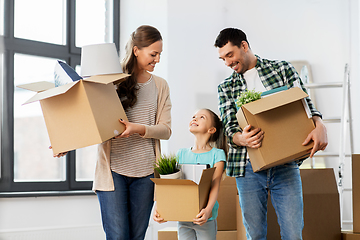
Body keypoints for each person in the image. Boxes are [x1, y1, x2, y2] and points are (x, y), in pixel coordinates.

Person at [54, 25, 172, 240]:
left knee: (137, 236)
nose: (157, 60)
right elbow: (89, 118)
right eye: (153, 54)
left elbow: (166, 130)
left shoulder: (160, 86)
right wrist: (65, 142)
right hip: (112, 172)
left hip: (145, 173)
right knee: (117, 236)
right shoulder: (110, 80)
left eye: (159, 55)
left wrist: (138, 128)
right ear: (136, 50)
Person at [214, 28, 328, 240]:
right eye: (223, 59)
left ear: (244, 46)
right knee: (255, 235)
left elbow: (305, 105)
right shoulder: (226, 88)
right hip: (248, 169)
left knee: (293, 234)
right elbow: (229, 128)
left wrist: (320, 124)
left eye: (230, 55)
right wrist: (241, 138)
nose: (228, 62)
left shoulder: (282, 69)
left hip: (285, 164)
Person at [153, 108, 227, 240]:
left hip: (204, 217)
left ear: (211, 130)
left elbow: (215, 185)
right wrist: (160, 208)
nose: (195, 118)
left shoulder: (217, 155)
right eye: (194, 116)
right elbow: (170, 183)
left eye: (202, 117)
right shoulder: (182, 154)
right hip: (183, 216)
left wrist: (208, 210)